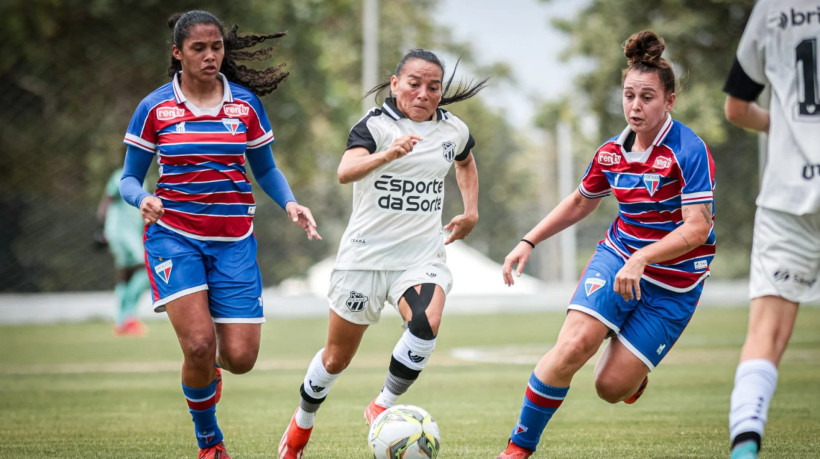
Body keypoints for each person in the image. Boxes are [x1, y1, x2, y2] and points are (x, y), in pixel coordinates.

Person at [496, 30, 717, 459]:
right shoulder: (611, 154)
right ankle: (518, 449)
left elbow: (697, 230)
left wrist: (645, 258)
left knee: (609, 387)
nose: (636, 105)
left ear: (669, 101)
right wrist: (529, 241)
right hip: (617, 259)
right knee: (574, 346)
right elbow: (581, 201)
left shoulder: (688, 150)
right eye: (629, 95)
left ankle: (632, 376)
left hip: (675, 284)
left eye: (648, 97)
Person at [119, 10, 321, 459]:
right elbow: (129, 178)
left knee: (242, 358)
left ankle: (209, 369)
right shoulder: (155, 108)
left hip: (234, 240)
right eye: (198, 48)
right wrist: (141, 200)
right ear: (178, 53)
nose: (210, 56)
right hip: (174, 236)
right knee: (197, 344)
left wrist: (290, 202)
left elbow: (264, 167)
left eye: (216, 47)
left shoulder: (245, 105)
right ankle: (210, 442)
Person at [276, 49, 486, 459]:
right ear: (395, 84)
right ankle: (302, 422)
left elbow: (466, 162)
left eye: (433, 86)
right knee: (336, 358)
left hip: (420, 258)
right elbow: (345, 171)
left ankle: (382, 406)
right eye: (414, 83)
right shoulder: (375, 125)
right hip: (364, 260)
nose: (424, 93)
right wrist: (388, 154)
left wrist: (471, 211)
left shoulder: (453, 130)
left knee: (426, 323)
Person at [723, 1, 820, 458]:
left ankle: (745, 446)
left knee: (766, 335)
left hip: (787, 196)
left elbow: (737, 108)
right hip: (785, 199)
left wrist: (783, 129)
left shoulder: (775, 8)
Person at [96, 167, 150, 336]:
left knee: (125, 275)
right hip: (120, 232)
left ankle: (121, 321)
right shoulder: (121, 175)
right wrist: (102, 229)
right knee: (146, 268)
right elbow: (107, 199)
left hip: (132, 233)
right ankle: (128, 317)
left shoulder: (145, 180)